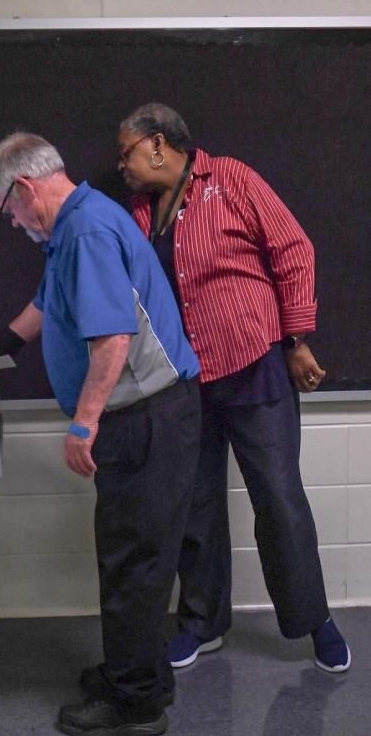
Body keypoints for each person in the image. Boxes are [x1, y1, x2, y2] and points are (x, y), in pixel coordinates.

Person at [0, 132, 202, 736]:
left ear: (23, 188)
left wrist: (83, 423)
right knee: (132, 557)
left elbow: (112, 340)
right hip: (146, 418)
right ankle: (139, 674)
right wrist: (0, 345)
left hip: (144, 419)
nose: (13, 223)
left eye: (7, 210)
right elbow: (48, 302)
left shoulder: (88, 233)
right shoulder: (75, 226)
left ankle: (137, 707)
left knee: (134, 563)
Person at [115, 102, 350, 673]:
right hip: (185, 380)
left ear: (157, 144)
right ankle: (201, 622)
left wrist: (297, 338)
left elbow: (294, 250)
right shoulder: (142, 211)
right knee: (193, 504)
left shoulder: (233, 180)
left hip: (255, 365)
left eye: (125, 153)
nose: (120, 165)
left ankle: (314, 621)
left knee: (277, 495)